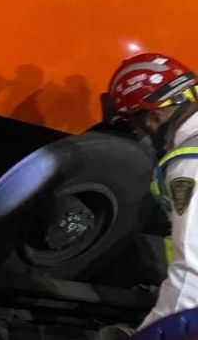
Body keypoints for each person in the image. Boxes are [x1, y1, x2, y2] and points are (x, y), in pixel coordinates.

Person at [102, 53, 198, 338]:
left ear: (155, 114)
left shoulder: (190, 164)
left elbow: (193, 274)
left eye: (136, 123)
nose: (138, 133)